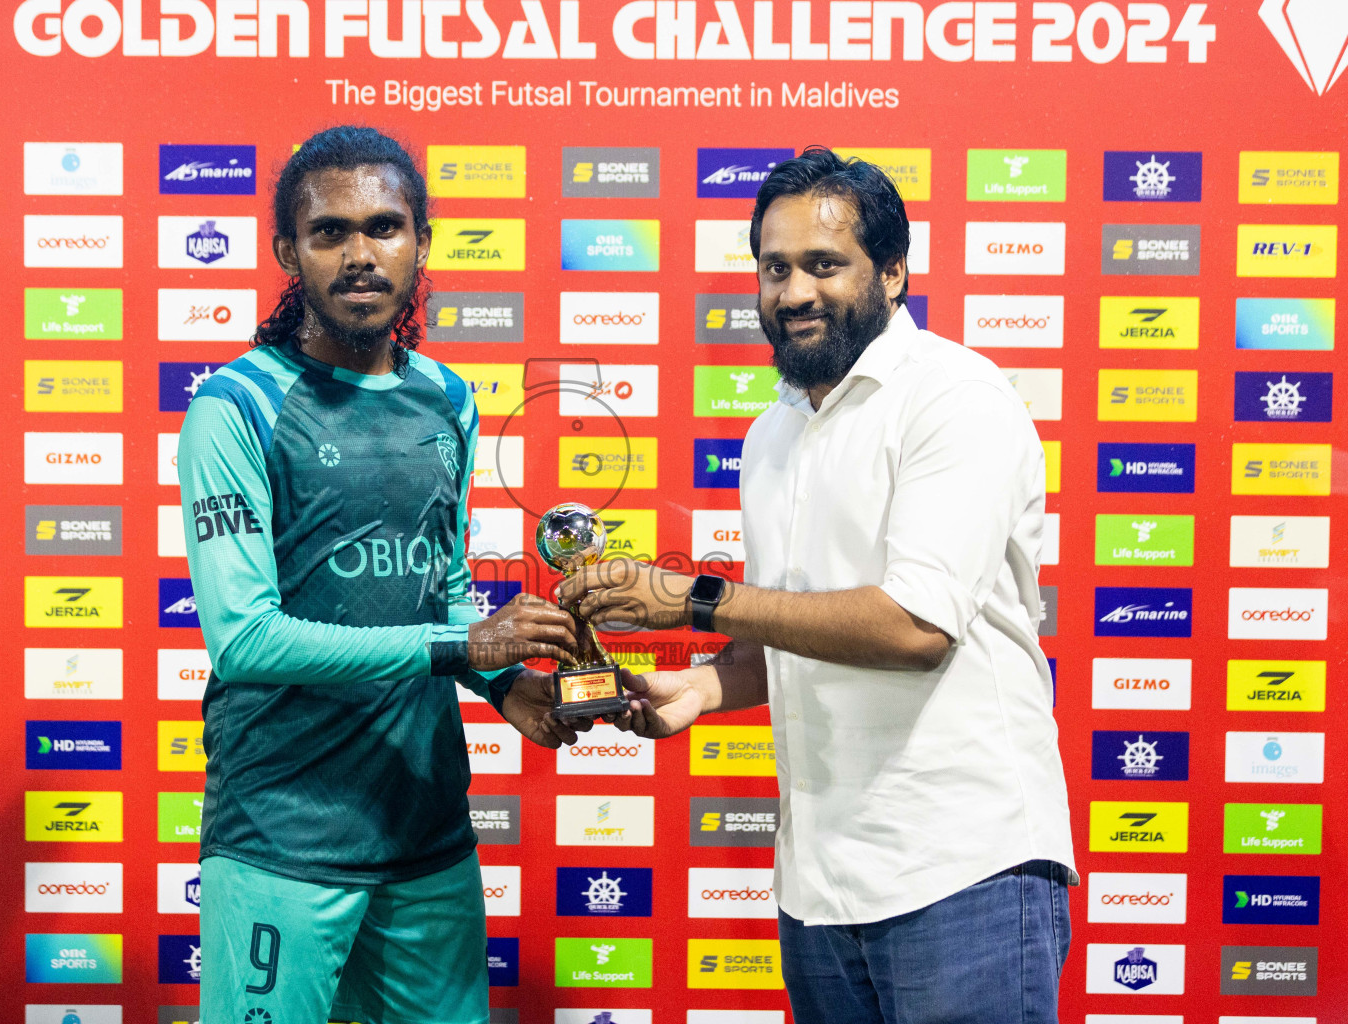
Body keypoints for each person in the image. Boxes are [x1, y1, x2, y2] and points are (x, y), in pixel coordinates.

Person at [557, 148, 1077, 1024]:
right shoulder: (773, 433)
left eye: (824, 265)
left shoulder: (957, 400)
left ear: (896, 272)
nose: (793, 292)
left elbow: (914, 628)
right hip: (818, 889)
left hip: (962, 875)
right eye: (775, 267)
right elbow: (786, 633)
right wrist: (700, 688)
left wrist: (691, 598)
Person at [179, 125, 593, 1024]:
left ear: (422, 242)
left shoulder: (449, 398)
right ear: (289, 251)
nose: (360, 254)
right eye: (330, 233)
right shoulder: (235, 407)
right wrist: (460, 647)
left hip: (424, 828)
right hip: (282, 833)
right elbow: (246, 640)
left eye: (384, 227)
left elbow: (439, 590)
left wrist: (506, 682)